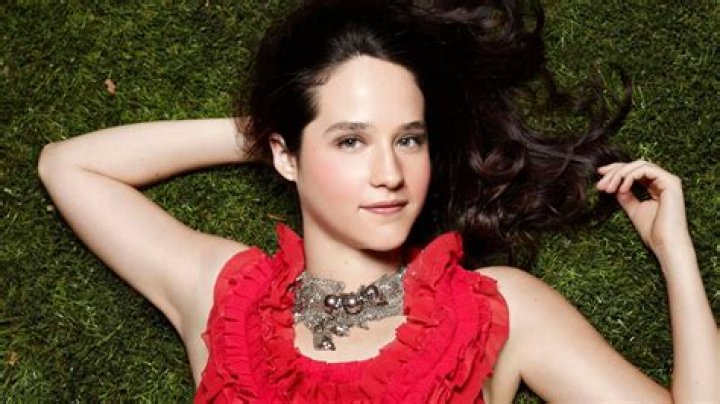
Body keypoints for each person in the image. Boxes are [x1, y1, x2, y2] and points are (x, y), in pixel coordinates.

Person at [37, 0, 717, 402]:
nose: (390, 173)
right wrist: (279, 131)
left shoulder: (497, 310)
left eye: (409, 139)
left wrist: (675, 254)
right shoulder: (227, 299)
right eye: (352, 141)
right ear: (285, 155)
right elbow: (70, 166)